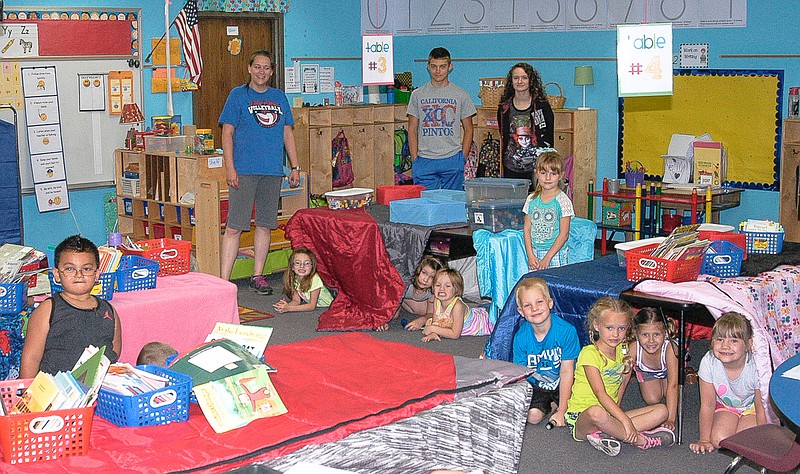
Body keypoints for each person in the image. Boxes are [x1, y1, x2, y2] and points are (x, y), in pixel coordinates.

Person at [218, 50, 301, 296]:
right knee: (234, 226)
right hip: (243, 171)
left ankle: (258, 275)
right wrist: (230, 168)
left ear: (272, 71)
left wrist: (294, 167)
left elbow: (288, 133)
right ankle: (224, 282)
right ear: (249, 68)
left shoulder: (279, 97)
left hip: (272, 171)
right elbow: (227, 133)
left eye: (266, 68)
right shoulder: (238, 95)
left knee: (265, 225)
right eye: (257, 67)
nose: (261, 72)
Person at [566, 297, 674, 457]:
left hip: (609, 415)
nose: (615, 334)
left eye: (621, 328)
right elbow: (600, 393)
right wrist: (625, 421)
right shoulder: (589, 354)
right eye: (609, 328)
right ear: (596, 325)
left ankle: (608, 433)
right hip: (582, 418)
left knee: (662, 410)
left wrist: (619, 416)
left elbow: (622, 381)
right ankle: (641, 440)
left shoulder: (623, 350)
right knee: (597, 412)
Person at [20, 235, 122, 377]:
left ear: (97, 274)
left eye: (86, 269)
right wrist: (28, 395)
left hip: (101, 390)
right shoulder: (48, 309)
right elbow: (31, 359)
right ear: (56, 274)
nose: (79, 275)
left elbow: (114, 352)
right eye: (69, 269)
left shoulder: (108, 310)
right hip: (56, 392)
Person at [690, 312, 766, 454]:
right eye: (720, 339)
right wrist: (704, 439)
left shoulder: (756, 366)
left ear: (749, 344)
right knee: (719, 440)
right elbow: (707, 404)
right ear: (712, 341)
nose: (725, 346)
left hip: (752, 408)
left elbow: (761, 406)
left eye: (734, 340)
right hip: (726, 406)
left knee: (746, 440)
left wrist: (765, 438)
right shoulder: (709, 362)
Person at [512, 278, 580, 426]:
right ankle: (551, 404)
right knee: (533, 417)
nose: (534, 308)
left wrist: (562, 410)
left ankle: (559, 404)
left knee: (584, 403)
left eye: (539, 302)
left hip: (564, 381)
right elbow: (520, 375)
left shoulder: (566, 331)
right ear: (521, 312)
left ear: (550, 303)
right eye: (527, 305)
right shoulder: (520, 338)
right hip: (538, 386)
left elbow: (567, 371)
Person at [406, 47, 477, 190]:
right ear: (428, 66)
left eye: (442, 67)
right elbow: (412, 128)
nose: (438, 71)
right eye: (434, 66)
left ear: (450, 67)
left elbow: (469, 129)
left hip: (452, 158)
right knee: (426, 205)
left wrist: (461, 158)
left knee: (452, 203)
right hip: (424, 160)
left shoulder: (461, 94)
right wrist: (415, 159)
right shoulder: (417, 94)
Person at [497, 62, 554, 180]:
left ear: (531, 80)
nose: (519, 81)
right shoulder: (504, 108)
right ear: (511, 81)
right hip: (511, 167)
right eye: (516, 78)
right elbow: (504, 135)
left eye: (524, 78)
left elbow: (549, 135)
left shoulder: (541, 106)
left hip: (538, 168)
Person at [630, 307, 679, 431]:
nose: (651, 340)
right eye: (645, 335)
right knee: (653, 400)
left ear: (666, 333)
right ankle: (659, 382)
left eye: (656, 334)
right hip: (647, 371)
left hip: (668, 370)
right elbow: (623, 380)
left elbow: (673, 384)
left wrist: (670, 419)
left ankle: (666, 380)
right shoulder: (634, 348)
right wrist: (615, 408)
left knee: (669, 393)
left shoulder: (670, 349)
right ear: (636, 333)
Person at [522, 150, 573, 270]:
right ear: (537, 174)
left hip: (555, 253)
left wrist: (548, 257)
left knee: (554, 285)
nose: (548, 177)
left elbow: (564, 234)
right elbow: (527, 228)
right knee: (535, 285)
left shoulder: (563, 201)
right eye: (543, 173)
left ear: (561, 175)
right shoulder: (531, 199)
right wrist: (530, 254)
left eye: (553, 173)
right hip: (534, 253)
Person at [418, 268, 492, 342]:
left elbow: (455, 334)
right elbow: (436, 322)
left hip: (485, 322)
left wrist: (432, 329)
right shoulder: (436, 300)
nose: (441, 288)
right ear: (433, 288)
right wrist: (434, 333)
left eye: (447, 286)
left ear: (456, 289)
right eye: (437, 285)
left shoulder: (457, 306)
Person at [273, 247, 334, 313]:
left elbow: (312, 306)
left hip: (328, 307)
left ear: (312, 267)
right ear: (292, 267)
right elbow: (296, 301)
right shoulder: (294, 278)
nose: (302, 266)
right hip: (318, 308)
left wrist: (289, 308)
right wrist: (285, 306)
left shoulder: (314, 279)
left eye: (307, 263)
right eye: (297, 263)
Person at [398, 255, 444, 331]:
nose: (426, 279)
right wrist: (382, 320)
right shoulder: (407, 283)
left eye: (432, 277)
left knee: (424, 312)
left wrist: (421, 320)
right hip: (400, 297)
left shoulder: (432, 292)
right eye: (424, 273)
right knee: (394, 314)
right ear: (418, 270)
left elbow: (431, 313)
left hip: (413, 302)